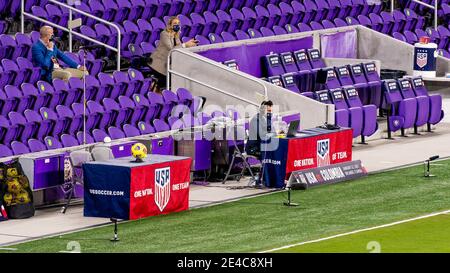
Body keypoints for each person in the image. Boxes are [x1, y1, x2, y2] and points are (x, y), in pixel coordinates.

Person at [149, 16, 198, 92]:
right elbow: (171, 49)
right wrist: (185, 45)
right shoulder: (164, 34)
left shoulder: (176, 35)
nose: (177, 25)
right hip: (159, 65)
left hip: (168, 64)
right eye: (175, 23)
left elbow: (179, 48)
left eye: (178, 23)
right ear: (170, 25)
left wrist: (188, 45)